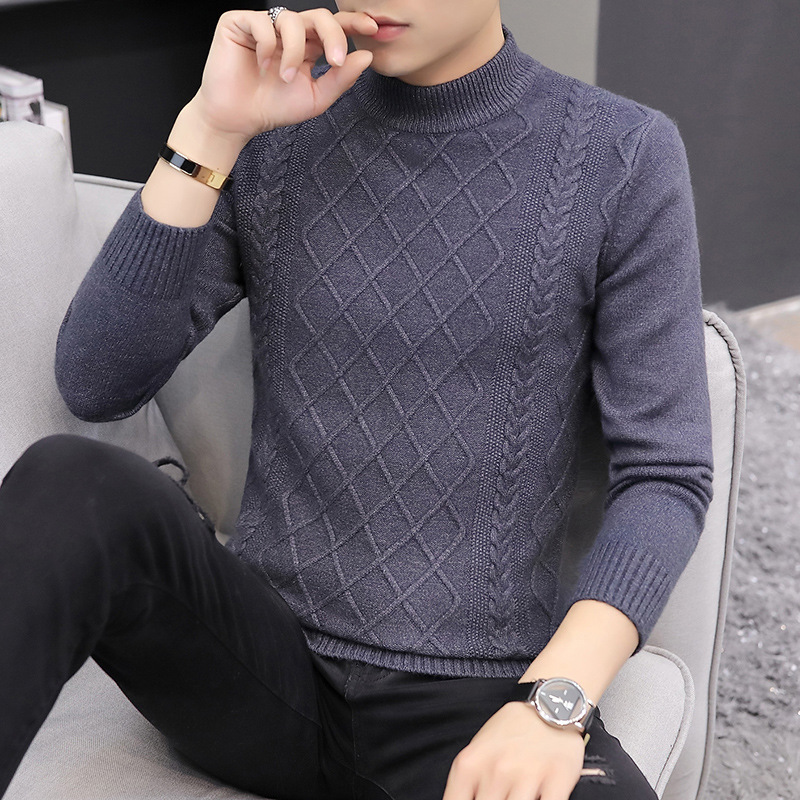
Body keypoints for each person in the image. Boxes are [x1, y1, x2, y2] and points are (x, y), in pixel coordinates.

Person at [0, 3, 714, 799]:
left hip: (472, 707)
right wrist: (210, 129)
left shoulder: (622, 154)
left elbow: (666, 474)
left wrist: (554, 704)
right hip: (257, 666)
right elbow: (97, 381)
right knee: (70, 481)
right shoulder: (275, 129)